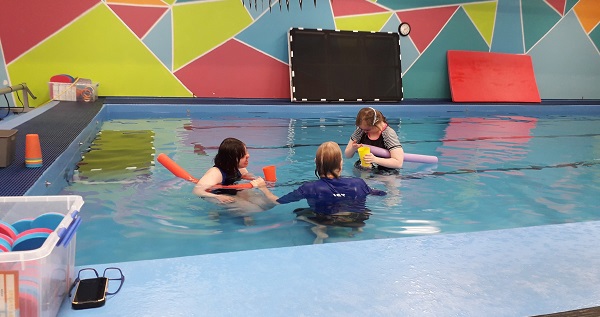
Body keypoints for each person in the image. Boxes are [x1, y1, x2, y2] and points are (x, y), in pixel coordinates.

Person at [251, 141, 386, 244]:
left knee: (299, 212)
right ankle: (357, 228)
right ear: (341, 163)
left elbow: (277, 201)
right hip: (356, 219)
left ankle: (320, 229)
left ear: (316, 163)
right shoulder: (358, 183)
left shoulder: (309, 188)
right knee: (362, 210)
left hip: (327, 220)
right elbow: (381, 193)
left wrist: (263, 187)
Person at [193, 137, 274, 225]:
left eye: (246, 152)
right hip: (219, 195)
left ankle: (244, 212)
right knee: (254, 209)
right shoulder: (215, 173)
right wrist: (217, 197)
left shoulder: (239, 168)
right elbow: (197, 191)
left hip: (234, 190)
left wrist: (264, 181)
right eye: (243, 155)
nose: (248, 156)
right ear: (232, 158)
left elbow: (248, 177)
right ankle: (218, 211)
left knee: (266, 203)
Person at [344, 107, 404, 172]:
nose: (364, 132)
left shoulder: (388, 134)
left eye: (367, 129)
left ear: (377, 124)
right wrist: (353, 148)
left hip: (386, 169)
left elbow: (398, 163)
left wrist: (374, 159)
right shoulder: (361, 130)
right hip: (364, 167)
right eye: (362, 129)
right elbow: (348, 155)